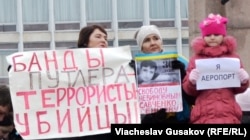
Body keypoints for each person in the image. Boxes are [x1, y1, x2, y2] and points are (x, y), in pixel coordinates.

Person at [183, 13, 249, 124]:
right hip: (203, 115)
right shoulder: (196, 59)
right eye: (208, 35)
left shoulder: (233, 58)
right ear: (204, 37)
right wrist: (191, 81)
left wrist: (244, 81)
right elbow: (189, 91)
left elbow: (238, 90)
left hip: (229, 114)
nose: (212, 37)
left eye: (216, 34)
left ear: (223, 36)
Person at [131, 25, 195, 123]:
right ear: (141, 47)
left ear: (161, 42)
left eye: (156, 38)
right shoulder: (134, 68)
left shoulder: (180, 60)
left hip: (179, 119)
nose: (153, 43)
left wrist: (182, 75)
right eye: (147, 40)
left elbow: (193, 97)